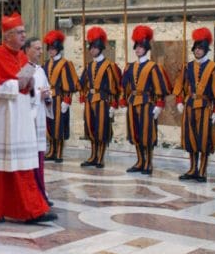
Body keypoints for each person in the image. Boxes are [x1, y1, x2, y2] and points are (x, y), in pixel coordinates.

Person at [0, 12, 55, 224]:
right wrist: (16, 85)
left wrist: (29, 86)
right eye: (19, 33)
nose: (23, 36)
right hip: (0, 121)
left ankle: (30, 209)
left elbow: (27, 87)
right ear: (7, 35)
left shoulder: (21, 58)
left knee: (21, 167)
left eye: (24, 32)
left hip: (19, 121)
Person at [172, 28, 215, 181]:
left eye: (201, 48)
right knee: (190, 139)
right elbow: (180, 86)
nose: (198, 51)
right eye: (196, 48)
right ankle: (192, 169)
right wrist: (179, 101)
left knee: (204, 139)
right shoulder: (187, 67)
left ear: (206, 50)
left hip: (205, 108)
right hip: (189, 106)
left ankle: (202, 171)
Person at [120, 25, 170, 174]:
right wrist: (123, 101)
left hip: (148, 104)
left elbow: (160, 88)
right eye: (136, 47)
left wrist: (159, 105)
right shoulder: (129, 67)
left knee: (147, 134)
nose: (138, 50)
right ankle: (140, 161)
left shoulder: (154, 67)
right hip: (133, 102)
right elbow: (125, 86)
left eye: (141, 47)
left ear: (146, 48)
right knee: (135, 133)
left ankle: (148, 162)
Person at [79, 27, 121, 168]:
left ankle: (100, 158)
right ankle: (92, 156)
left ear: (100, 48)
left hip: (103, 101)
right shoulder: (89, 66)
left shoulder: (109, 66)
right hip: (90, 100)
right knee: (91, 128)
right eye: (91, 47)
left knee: (101, 129)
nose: (92, 50)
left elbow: (115, 87)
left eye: (95, 47)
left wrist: (114, 105)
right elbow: (82, 83)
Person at [43, 30, 80, 163]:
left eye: (53, 49)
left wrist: (67, 100)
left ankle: (59, 152)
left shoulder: (66, 64)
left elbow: (70, 84)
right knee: (50, 125)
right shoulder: (46, 64)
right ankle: (51, 150)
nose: (51, 51)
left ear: (58, 49)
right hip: (48, 98)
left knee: (59, 125)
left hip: (59, 98)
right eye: (50, 49)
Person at [23, 37, 52, 205]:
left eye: (41, 49)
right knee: (31, 159)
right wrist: (37, 97)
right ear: (27, 50)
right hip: (29, 119)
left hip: (40, 118)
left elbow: (46, 90)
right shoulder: (24, 70)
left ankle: (42, 192)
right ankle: (34, 195)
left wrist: (48, 97)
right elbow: (21, 94)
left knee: (40, 158)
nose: (41, 52)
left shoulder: (40, 70)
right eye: (37, 48)